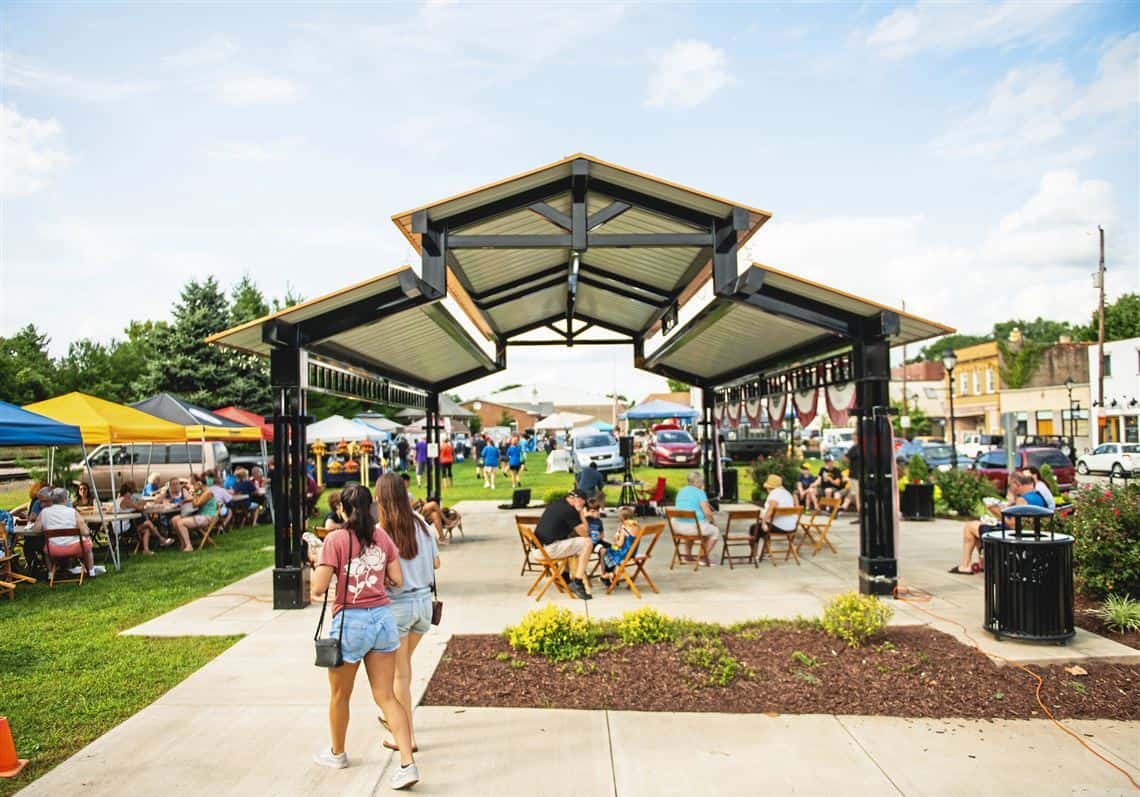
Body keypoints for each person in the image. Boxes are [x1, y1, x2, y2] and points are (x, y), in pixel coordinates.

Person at [310, 484, 419, 789]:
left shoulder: (335, 540)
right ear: (371, 507)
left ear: (342, 510)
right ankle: (408, 764)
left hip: (350, 622)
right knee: (386, 696)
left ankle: (338, 752)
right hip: (382, 620)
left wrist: (319, 562)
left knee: (340, 695)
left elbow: (318, 588)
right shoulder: (382, 536)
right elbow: (397, 579)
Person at [376, 473, 440, 756]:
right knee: (402, 669)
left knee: (399, 676)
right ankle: (396, 717)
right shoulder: (422, 525)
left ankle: (406, 736)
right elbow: (437, 562)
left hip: (397, 606)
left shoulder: (381, 531)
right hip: (424, 604)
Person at [951, 472, 1047, 575]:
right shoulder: (1038, 497)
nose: (1010, 488)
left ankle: (966, 565)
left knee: (970, 526)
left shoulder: (1022, 500)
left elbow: (1013, 525)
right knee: (980, 526)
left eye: (1010, 485)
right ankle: (983, 564)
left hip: (1014, 536)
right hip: (1034, 535)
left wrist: (994, 510)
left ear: (1017, 484)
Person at [533, 488, 593, 600]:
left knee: (571, 540)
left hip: (539, 548)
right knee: (587, 543)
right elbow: (585, 533)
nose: (584, 505)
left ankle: (565, 576)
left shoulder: (558, 504)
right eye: (583, 502)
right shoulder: (569, 511)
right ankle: (578, 582)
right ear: (576, 499)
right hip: (546, 551)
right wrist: (581, 514)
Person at [31, 487, 104, 577]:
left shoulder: (44, 512)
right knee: (87, 542)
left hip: (53, 550)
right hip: (75, 548)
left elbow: (35, 530)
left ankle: (50, 574)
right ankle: (91, 572)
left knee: (46, 550)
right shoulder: (72, 512)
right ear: (65, 499)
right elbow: (85, 532)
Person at [673, 471, 721, 565]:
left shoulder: (681, 491)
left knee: (698, 529)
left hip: (678, 527)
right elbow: (707, 512)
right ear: (698, 482)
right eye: (702, 482)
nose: (702, 484)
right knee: (714, 531)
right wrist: (713, 522)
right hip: (693, 527)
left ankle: (688, 556)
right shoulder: (700, 493)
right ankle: (702, 557)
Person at [115, 481, 172, 554]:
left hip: (117, 526)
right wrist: (142, 502)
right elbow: (140, 508)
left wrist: (139, 503)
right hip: (123, 527)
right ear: (129, 492)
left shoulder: (118, 500)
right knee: (148, 523)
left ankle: (146, 550)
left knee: (147, 529)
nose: (132, 495)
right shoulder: (126, 500)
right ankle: (161, 539)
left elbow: (135, 506)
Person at [170, 474, 217, 552]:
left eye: (193, 484)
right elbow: (193, 500)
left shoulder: (208, 493)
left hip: (207, 518)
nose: (192, 486)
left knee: (181, 523)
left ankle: (189, 546)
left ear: (199, 484)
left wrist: (194, 492)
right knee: (175, 519)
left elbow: (196, 504)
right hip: (200, 515)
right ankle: (183, 543)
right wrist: (184, 501)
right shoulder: (201, 491)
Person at [599, 506, 640, 588]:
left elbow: (620, 544)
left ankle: (606, 575)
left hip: (624, 552)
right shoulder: (637, 526)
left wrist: (615, 540)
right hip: (633, 552)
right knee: (609, 549)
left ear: (622, 518)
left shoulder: (624, 529)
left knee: (604, 551)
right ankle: (610, 575)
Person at [758, 474, 797, 538]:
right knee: (762, 527)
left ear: (768, 487)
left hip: (780, 527)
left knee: (754, 528)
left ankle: (762, 547)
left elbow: (771, 509)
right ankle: (766, 546)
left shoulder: (774, 493)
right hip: (792, 527)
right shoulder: (787, 493)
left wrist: (763, 522)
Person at [842, 435, 861, 519]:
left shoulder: (854, 448)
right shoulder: (863, 447)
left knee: (855, 493)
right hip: (859, 474)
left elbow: (845, 459)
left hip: (855, 474)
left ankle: (844, 507)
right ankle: (859, 513)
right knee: (856, 493)